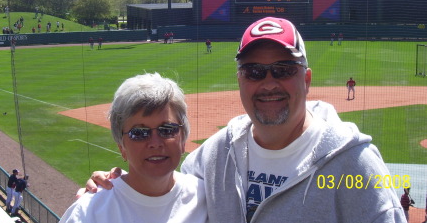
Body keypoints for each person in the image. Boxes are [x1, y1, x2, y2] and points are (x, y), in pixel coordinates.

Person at [83, 17, 405, 222]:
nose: (268, 83)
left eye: (283, 70)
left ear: (305, 80)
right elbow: (167, 183)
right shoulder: (218, 153)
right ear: (240, 80)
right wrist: (115, 184)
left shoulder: (353, 164)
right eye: (253, 71)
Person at [59, 73, 207, 223]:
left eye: (167, 129)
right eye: (139, 133)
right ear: (122, 146)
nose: (155, 142)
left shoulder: (208, 198)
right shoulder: (88, 212)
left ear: (183, 139)